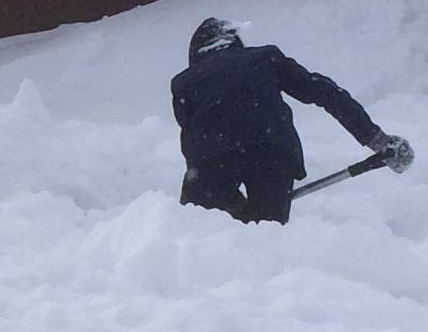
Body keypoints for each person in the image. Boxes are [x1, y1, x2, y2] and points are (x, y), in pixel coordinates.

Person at [170, 19, 407, 223]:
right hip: (274, 152)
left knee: (196, 230)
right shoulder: (264, 57)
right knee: (267, 237)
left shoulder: (184, 82)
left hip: (212, 157)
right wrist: (375, 138)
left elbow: (191, 140)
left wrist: (228, 201)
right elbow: (324, 91)